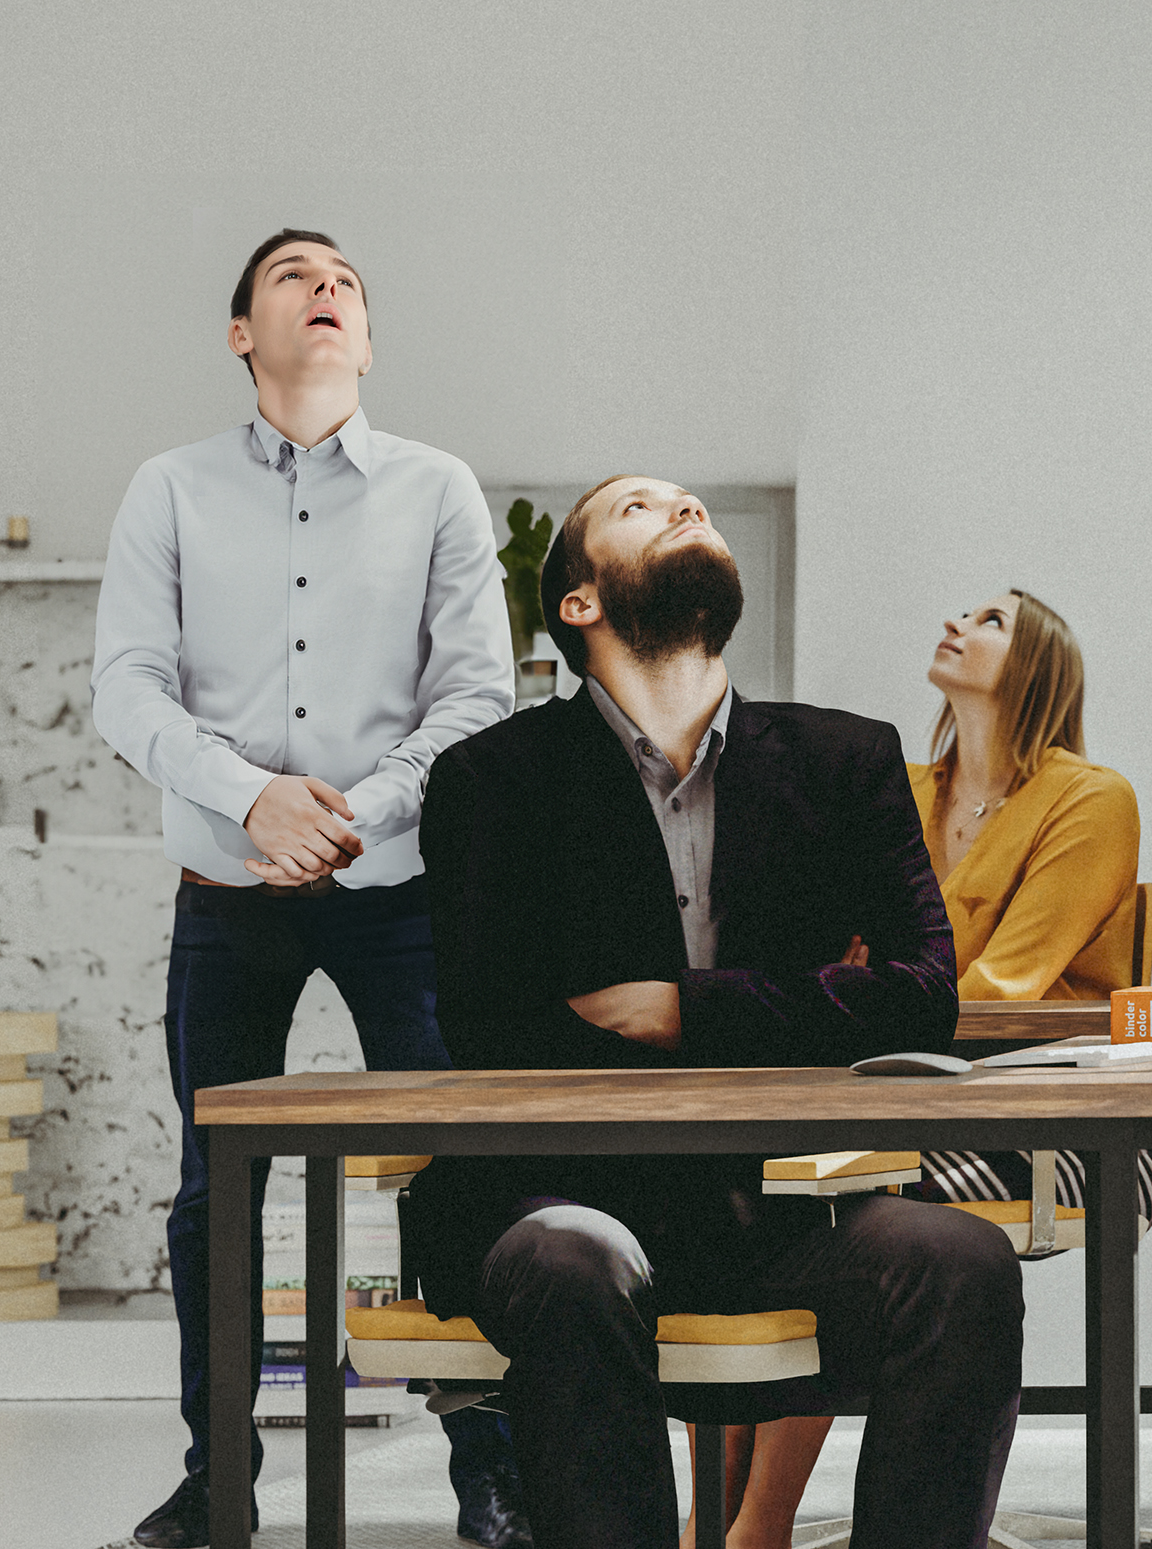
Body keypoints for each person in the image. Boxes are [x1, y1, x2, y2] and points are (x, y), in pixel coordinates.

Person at [401, 478, 1010, 1549]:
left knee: (963, 1259)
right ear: (580, 600)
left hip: (782, 1208)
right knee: (572, 1258)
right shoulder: (488, 780)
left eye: (692, 502)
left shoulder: (845, 759)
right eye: (640, 506)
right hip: (560, 1202)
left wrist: (689, 1010)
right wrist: (822, 1000)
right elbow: (496, 1027)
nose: (682, 505)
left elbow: (923, 993)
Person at [91, 229, 523, 1549]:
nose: (325, 289)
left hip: (402, 890)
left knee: (459, 1170)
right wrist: (254, 798)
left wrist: (355, 812)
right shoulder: (167, 488)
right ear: (243, 334)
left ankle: (489, 1477)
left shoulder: (439, 487)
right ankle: (216, 1482)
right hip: (227, 884)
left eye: (345, 282)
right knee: (216, 1189)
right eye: (293, 276)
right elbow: (127, 685)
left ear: (367, 341)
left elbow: (477, 695)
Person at [718, 588, 1152, 1549]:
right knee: (747, 1181)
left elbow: (1006, 983)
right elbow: (820, 951)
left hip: (1059, 1119)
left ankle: (754, 1527)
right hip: (885, 1099)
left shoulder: (1091, 797)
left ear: (1041, 662)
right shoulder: (900, 790)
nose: (958, 620)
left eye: (993, 618)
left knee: (830, 1194)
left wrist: (858, 997)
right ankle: (732, 1526)